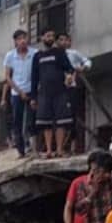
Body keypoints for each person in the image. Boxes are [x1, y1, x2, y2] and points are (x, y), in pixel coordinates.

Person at [29, 30, 74, 158]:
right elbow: (34, 78)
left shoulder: (59, 53)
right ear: (42, 37)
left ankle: (59, 150)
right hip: (44, 93)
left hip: (60, 91)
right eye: (48, 36)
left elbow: (69, 68)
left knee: (61, 121)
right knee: (45, 123)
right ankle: (49, 150)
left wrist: (70, 76)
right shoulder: (37, 56)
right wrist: (33, 97)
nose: (50, 38)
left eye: (52, 36)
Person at [0, 29, 36, 157]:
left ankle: (31, 145)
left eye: (25, 38)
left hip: (32, 90)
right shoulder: (10, 56)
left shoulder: (34, 53)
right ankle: (21, 149)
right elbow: (7, 77)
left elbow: (38, 73)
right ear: (15, 41)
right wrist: (19, 92)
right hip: (16, 92)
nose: (23, 41)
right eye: (20, 39)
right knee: (17, 121)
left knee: (32, 119)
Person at [57, 33, 91, 153]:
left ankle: (73, 146)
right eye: (61, 40)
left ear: (70, 42)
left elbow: (87, 62)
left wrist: (82, 68)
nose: (64, 42)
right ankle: (61, 147)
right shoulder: (55, 55)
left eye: (66, 40)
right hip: (59, 90)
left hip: (72, 88)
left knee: (73, 117)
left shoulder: (74, 54)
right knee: (61, 118)